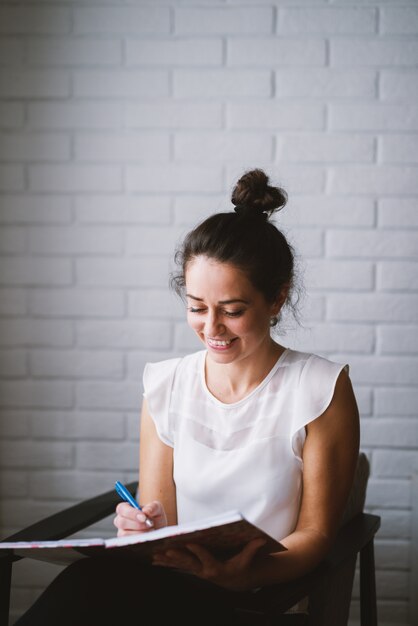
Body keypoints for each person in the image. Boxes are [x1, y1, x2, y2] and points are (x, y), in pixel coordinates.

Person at [15, 169, 360, 626]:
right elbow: (162, 519)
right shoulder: (166, 384)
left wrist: (245, 575)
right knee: (87, 581)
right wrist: (144, 529)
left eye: (232, 311)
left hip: (258, 597)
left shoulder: (321, 389)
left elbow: (314, 535)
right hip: (171, 586)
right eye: (197, 307)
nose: (211, 329)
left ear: (277, 298)